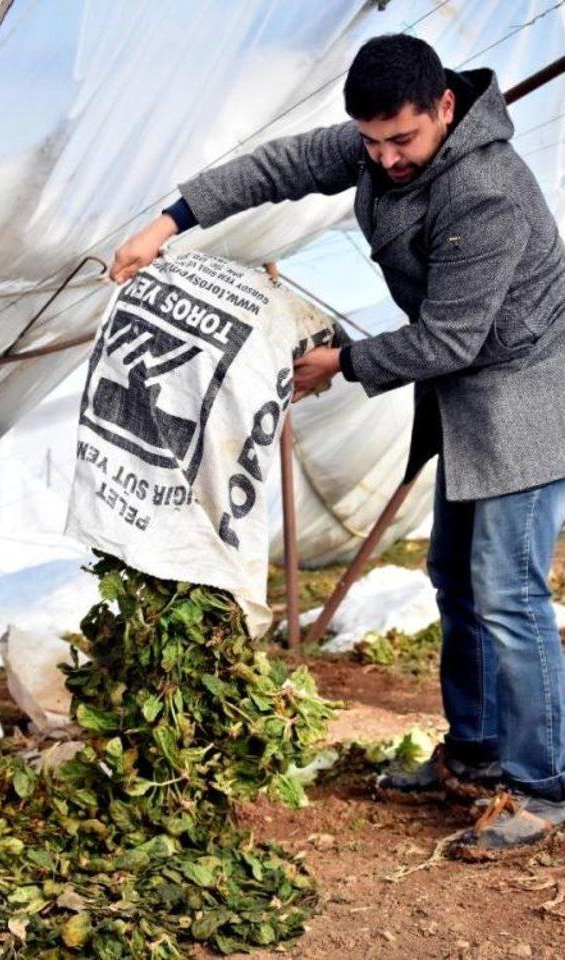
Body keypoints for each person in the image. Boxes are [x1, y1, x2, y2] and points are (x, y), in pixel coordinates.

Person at [110, 34, 565, 854]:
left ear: (446, 108)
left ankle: (540, 788)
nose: (386, 158)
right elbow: (277, 167)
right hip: (470, 388)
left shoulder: (485, 191)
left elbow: (453, 339)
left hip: (526, 389)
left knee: (507, 589)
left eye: (404, 140)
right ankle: (476, 751)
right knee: (454, 576)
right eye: (372, 141)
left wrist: (343, 362)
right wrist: (166, 222)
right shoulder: (374, 143)